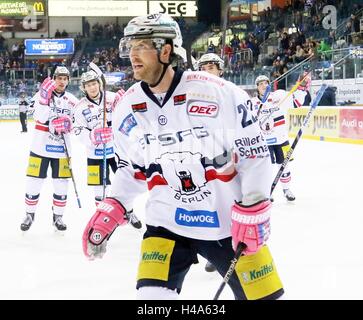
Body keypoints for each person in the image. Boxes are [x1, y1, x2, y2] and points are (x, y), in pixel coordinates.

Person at [82, 14, 284, 300]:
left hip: (228, 223)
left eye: (141, 46)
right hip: (167, 223)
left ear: (166, 51)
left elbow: (254, 153)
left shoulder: (218, 93)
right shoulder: (126, 107)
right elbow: (134, 169)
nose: (132, 54)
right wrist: (114, 206)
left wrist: (253, 205)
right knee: (151, 300)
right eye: (130, 46)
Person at [20, 66, 79, 232]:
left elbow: (78, 125)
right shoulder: (40, 94)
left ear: (68, 81)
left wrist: (68, 124)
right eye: (59, 78)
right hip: (39, 148)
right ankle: (29, 214)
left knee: (61, 184)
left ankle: (58, 216)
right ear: (53, 79)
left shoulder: (73, 100)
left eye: (64, 78)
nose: (61, 81)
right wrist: (44, 100)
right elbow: (38, 117)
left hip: (62, 150)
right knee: (34, 182)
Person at [251, 74, 310, 202]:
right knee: (266, 168)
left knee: (284, 166)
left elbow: (297, 102)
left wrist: (302, 88)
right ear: (256, 87)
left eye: (266, 83)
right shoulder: (252, 103)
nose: (263, 86)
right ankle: (267, 191)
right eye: (260, 84)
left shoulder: (279, 96)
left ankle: (287, 189)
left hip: (281, 139)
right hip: (263, 142)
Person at [73, 70, 120, 206]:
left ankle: (128, 212)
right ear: (84, 88)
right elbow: (78, 130)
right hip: (95, 153)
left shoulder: (113, 98)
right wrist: (92, 136)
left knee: (124, 183)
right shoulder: (79, 107)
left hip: (117, 150)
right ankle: (100, 217)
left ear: (99, 84)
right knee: (99, 188)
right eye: (88, 85)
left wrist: (125, 102)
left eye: (94, 83)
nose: (92, 87)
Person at [196, 52, 224, 273]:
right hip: (198, 155)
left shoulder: (232, 93)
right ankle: (212, 250)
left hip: (225, 154)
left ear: (220, 70)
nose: (208, 70)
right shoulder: (189, 95)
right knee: (206, 202)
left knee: (227, 199)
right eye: (203, 67)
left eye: (212, 67)